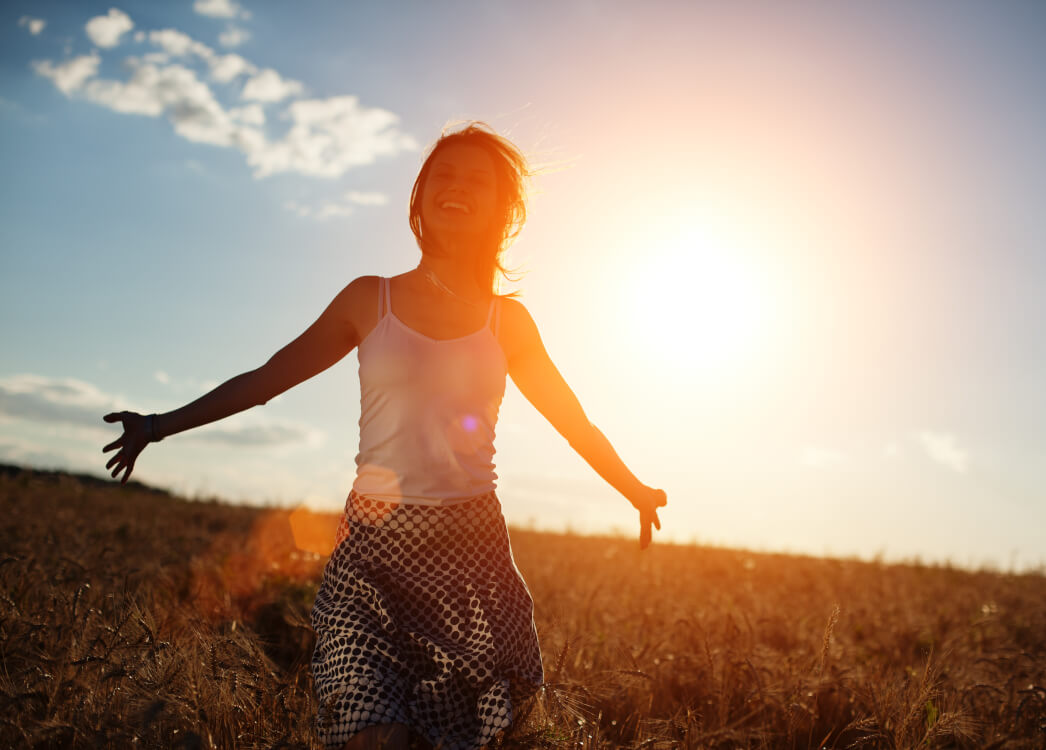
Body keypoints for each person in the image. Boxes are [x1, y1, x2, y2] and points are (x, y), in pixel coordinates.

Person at [102, 121, 667, 750]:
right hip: (372, 559)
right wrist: (158, 426)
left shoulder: (509, 322)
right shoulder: (370, 299)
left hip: (471, 561)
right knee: (377, 736)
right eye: (443, 176)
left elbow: (574, 423)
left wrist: (634, 488)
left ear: (501, 211)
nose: (456, 189)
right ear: (421, 197)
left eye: (476, 181)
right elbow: (267, 379)